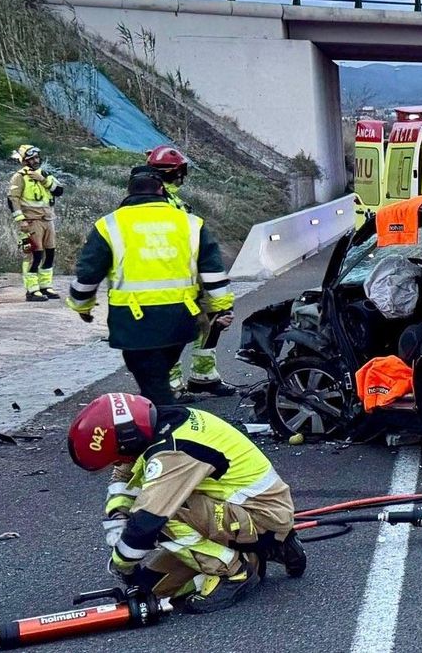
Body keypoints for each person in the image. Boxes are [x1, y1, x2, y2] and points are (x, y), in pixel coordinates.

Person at [67, 392, 305, 613]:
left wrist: (122, 564)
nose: (116, 464)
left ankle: (233, 572)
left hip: (260, 517)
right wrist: (118, 514)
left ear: (126, 441)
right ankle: (265, 549)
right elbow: (123, 476)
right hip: (253, 511)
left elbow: (145, 524)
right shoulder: (155, 424)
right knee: (150, 588)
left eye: (116, 457)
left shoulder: (172, 452)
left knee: (160, 514)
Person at [67, 171, 235, 405]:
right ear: (161, 190)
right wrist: (223, 307)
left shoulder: (109, 225)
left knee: (153, 385)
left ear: (129, 191)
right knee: (157, 381)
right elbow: (213, 272)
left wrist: (82, 306)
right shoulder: (190, 223)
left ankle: (165, 424)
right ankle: (163, 420)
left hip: (133, 323)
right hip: (180, 320)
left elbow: (88, 275)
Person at [6, 144, 63, 301]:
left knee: (50, 254)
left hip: (48, 220)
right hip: (31, 222)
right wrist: (20, 220)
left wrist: (43, 180)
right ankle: (32, 290)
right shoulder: (19, 177)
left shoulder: (44, 174)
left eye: (37, 157)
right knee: (34, 255)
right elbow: (12, 199)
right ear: (25, 161)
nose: (36, 161)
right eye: (32, 159)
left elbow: (59, 190)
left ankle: (45, 286)